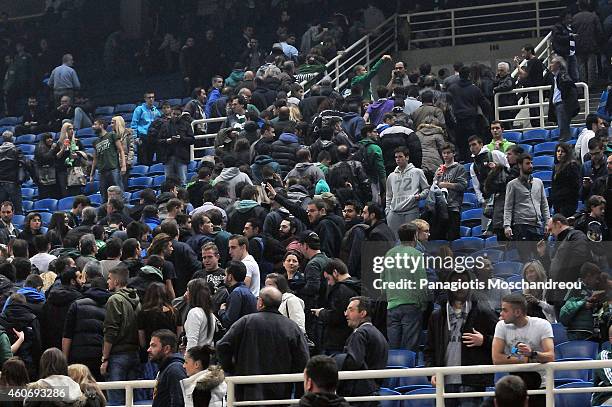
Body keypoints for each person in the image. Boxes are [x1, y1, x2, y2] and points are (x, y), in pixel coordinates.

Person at [217, 286, 309, 402]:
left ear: (260, 302)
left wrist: (232, 369)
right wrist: (299, 392)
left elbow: (223, 346)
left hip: (247, 388)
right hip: (280, 392)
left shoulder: (245, 322)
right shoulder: (292, 327)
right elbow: (303, 359)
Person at [425, 270, 498, 407]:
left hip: (472, 382)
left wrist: (484, 341)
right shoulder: (437, 316)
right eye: (455, 283)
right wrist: (432, 372)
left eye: (463, 282)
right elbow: (429, 350)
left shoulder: (483, 311)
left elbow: (501, 341)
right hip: (445, 381)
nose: (459, 286)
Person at [492, 293, 555, 407]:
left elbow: (550, 356)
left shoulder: (542, 325)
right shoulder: (501, 326)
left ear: (517, 312)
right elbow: (496, 358)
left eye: (505, 310)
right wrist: (524, 358)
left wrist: (532, 353)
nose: (501, 314)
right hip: (515, 387)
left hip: (541, 386)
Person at [380, 223, 427, 351]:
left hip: (392, 305)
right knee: (410, 348)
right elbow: (421, 283)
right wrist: (423, 304)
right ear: (415, 236)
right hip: (411, 305)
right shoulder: (416, 254)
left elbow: (382, 280)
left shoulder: (389, 254)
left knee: (393, 348)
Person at [334, 296, 388, 403]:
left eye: (351, 310)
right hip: (372, 393)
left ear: (362, 313)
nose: (346, 314)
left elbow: (353, 362)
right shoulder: (378, 334)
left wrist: (336, 359)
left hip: (360, 396)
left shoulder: (360, 334)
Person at [101, 266, 142, 405]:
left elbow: (110, 331)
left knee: (116, 401)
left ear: (117, 281)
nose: (108, 282)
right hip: (134, 353)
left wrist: (105, 357)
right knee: (133, 400)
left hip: (118, 355)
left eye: (109, 278)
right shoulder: (137, 299)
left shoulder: (114, 300)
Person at [62, 276, 110, 382]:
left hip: (78, 355)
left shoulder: (77, 305)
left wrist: (65, 357)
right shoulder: (109, 305)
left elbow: (67, 334)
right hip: (99, 354)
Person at [503, 154, 550, 259]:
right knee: (526, 259)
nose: (531, 166)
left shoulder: (539, 183)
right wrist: (507, 225)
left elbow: (544, 205)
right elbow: (508, 207)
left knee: (543, 257)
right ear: (520, 165)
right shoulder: (512, 184)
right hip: (521, 226)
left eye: (531, 163)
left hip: (537, 225)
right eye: (527, 163)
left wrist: (548, 222)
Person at [447, 66, 491, 162]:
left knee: (461, 147)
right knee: (473, 144)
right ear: (469, 75)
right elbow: (486, 105)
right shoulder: (474, 89)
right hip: (472, 121)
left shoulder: (452, 88)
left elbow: (448, 106)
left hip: (457, 122)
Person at [385, 147, 429, 238]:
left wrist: (419, 196)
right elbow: (389, 195)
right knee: (395, 240)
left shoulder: (417, 172)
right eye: (396, 157)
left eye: (400, 156)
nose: (398, 159)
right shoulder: (391, 176)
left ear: (407, 157)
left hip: (411, 211)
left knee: (411, 239)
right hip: (394, 212)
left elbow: (426, 189)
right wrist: (387, 211)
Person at [148, 329, 187, 407]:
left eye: (153, 346)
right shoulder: (167, 368)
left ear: (167, 349)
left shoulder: (174, 370)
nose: (149, 350)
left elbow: (179, 403)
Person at [90, 118, 127, 200]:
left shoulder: (111, 135)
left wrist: (123, 165)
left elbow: (121, 150)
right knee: (104, 196)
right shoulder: (95, 142)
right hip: (102, 171)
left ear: (101, 125)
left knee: (119, 193)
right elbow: (95, 159)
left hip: (113, 168)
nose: (93, 127)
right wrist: (92, 174)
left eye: (95, 124)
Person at [158, 106, 195, 186]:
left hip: (181, 157)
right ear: (171, 113)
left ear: (181, 114)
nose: (175, 116)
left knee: (183, 181)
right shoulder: (164, 125)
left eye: (178, 114)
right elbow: (159, 141)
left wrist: (181, 138)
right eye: (174, 114)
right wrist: (167, 141)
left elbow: (192, 140)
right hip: (168, 157)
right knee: (168, 183)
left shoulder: (186, 125)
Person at [546, 55, 579, 142]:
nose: (550, 65)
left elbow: (568, 86)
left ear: (558, 65)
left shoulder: (563, 75)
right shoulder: (555, 77)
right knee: (562, 128)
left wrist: (565, 102)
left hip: (562, 105)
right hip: (558, 106)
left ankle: (564, 146)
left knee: (563, 129)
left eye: (552, 63)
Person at [218, 261, 257, 329]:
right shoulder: (248, 292)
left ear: (230, 277)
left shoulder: (236, 293)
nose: (224, 278)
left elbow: (228, 322)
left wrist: (221, 311)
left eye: (225, 275)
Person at [514, 44, 545, 128]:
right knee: (535, 114)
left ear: (529, 51)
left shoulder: (532, 61)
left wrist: (517, 64)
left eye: (524, 52)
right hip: (535, 91)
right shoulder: (536, 61)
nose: (523, 55)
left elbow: (524, 75)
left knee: (535, 114)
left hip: (534, 91)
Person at [573, 0, 603, 85]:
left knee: (581, 66)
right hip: (591, 43)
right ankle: (591, 84)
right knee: (591, 65)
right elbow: (599, 31)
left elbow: (572, 31)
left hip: (578, 45)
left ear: (579, 7)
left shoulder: (575, 17)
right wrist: (599, 41)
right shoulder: (593, 16)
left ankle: (583, 83)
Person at [55, 122, 87, 197]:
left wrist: (78, 155)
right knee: (66, 193)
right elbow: (57, 157)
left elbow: (85, 154)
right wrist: (63, 148)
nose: (72, 131)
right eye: (69, 129)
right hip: (63, 171)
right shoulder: (59, 143)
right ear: (64, 131)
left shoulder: (77, 142)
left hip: (75, 170)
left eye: (73, 129)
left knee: (77, 192)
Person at [184, 278, 215, 350]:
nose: (185, 294)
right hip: (205, 355)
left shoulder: (194, 313)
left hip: (195, 357)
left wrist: (187, 359)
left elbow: (192, 341)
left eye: (188, 290)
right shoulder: (210, 314)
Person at [551, 142, 580, 217]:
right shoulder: (555, 167)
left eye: (562, 151)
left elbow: (575, 186)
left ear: (567, 153)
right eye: (558, 151)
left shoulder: (572, 165)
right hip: (557, 203)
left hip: (568, 203)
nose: (559, 153)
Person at [131, 91, 161, 165]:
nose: (151, 99)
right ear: (145, 99)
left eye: (152, 97)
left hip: (153, 137)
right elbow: (134, 124)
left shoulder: (156, 111)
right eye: (149, 97)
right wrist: (135, 137)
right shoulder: (139, 109)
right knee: (143, 161)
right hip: (143, 137)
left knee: (152, 160)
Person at [551, 10, 579, 82]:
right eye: (568, 18)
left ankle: (576, 90)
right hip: (563, 53)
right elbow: (558, 38)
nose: (570, 20)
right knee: (565, 73)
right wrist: (570, 37)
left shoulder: (569, 27)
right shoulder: (557, 27)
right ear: (563, 19)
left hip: (571, 52)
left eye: (570, 18)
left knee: (574, 73)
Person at [111, 115, 136, 189]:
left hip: (125, 162)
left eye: (113, 123)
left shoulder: (128, 133)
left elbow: (131, 148)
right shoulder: (111, 135)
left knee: (123, 184)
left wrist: (129, 161)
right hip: (115, 163)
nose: (111, 125)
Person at [34, 133, 59, 199]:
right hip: (43, 175)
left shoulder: (49, 146)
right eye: (48, 138)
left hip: (50, 174)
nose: (50, 140)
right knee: (44, 193)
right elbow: (45, 158)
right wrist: (52, 149)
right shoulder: (40, 147)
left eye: (51, 138)